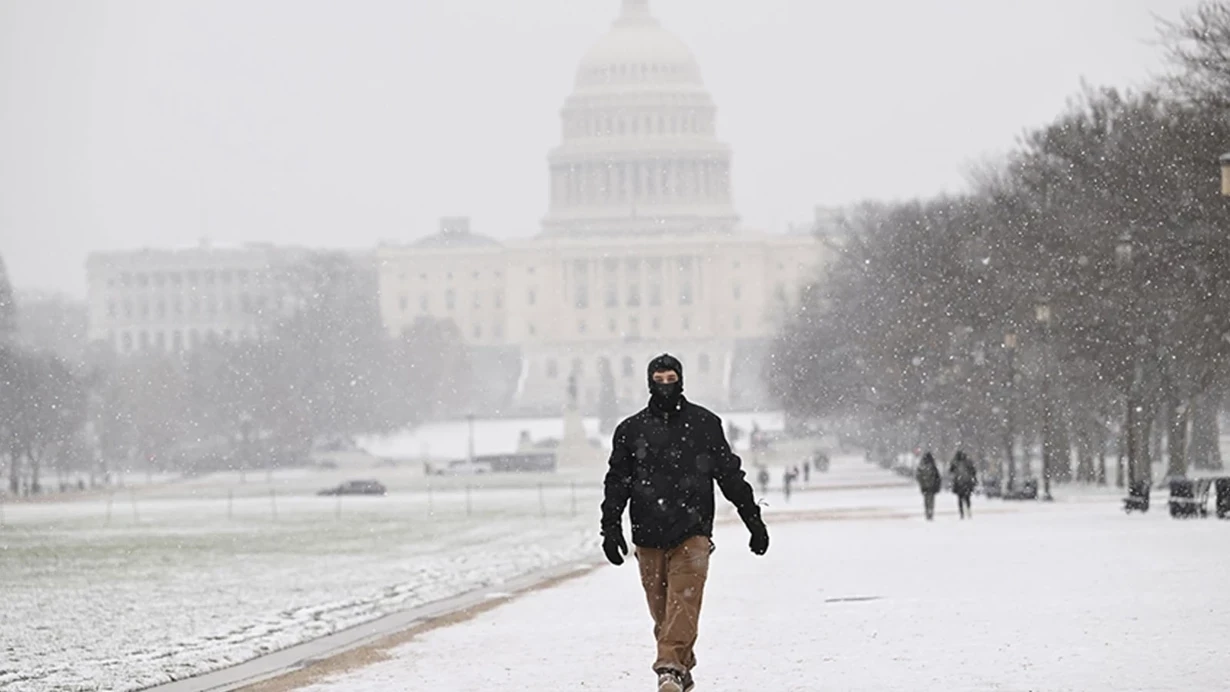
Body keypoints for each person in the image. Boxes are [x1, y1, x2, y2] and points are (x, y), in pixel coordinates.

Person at [601, 354, 770, 692]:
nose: (666, 386)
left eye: (671, 379)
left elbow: (729, 475)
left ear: (681, 380)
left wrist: (753, 519)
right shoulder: (631, 430)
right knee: (663, 610)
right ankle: (681, 665)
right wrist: (610, 527)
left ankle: (669, 668)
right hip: (648, 532)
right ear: (650, 382)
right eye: (660, 380)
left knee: (684, 600)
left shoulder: (705, 424)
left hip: (692, 529)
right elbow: (617, 481)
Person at [950, 450, 978, 519]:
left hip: (959, 484)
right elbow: (973, 471)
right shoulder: (968, 462)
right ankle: (968, 510)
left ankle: (962, 513)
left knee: (960, 499)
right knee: (967, 498)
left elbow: (951, 470)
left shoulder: (955, 463)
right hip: (967, 483)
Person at [915, 451, 942, 520]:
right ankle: (930, 511)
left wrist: (922, 482)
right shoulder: (933, 466)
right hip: (932, 486)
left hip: (924, 486)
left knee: (926, 499)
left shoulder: (922, 466)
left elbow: (918, 476)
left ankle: (927, 511)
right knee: (931, 499)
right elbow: (937, 477)